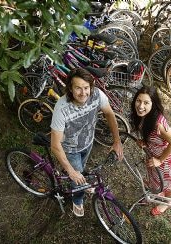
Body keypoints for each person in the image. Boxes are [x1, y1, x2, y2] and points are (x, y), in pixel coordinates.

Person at [50, 68, 123, 217]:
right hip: (70, 149)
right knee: (76, 178)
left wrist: (117, 141)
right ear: (70, 88)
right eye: (78, 88)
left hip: (88, 143)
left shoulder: (97, 95)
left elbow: (109, 113)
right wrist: (71, 171)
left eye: (86, 88)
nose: (83, 93)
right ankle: (77, 199)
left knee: (81, 170)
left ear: (91, 86)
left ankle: (80, 179)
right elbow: (55, 145)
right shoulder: (61, 108)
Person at [130, 86, 171, 216]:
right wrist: (145, 142)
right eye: (138, 101)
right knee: (154, 179)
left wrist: (160, 160)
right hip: (152, 155)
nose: (140, 106)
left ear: (153, 104)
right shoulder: (143, 116)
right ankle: (157, 190)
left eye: (146, 103)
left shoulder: (159, 124)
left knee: (168, 184)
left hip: (164, 159)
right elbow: (149, 134)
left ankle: (168, 202)